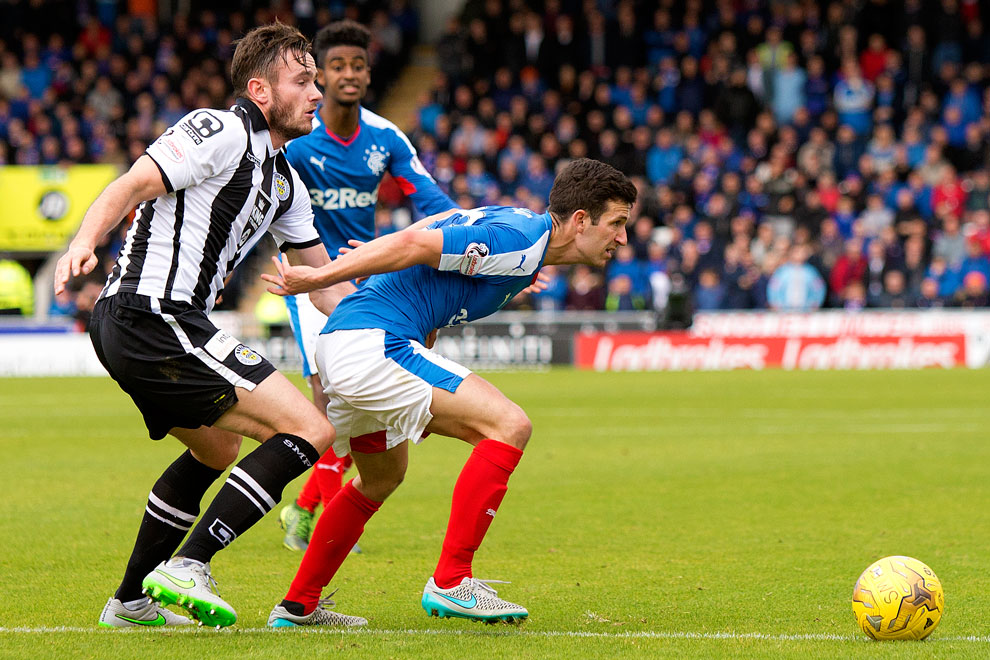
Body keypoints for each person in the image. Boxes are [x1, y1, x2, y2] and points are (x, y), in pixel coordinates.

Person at [53, 23, 354, 629]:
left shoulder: (286, 183)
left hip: (156, 324)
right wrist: (85, 239)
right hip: (149, 313)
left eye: (316, 81)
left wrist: (401, 318)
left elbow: (326, 285)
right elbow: (133, 183)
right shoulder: (219, 130)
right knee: (308, 430)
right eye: (303, 81)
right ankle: (188, 565)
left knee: (217, 449)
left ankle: (131, 601)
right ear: (260, 91)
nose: (317, 94)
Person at [256, 157, 637, 627]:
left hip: (352, 344)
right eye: (617, 224)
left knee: (380, 477)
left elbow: (436, 225)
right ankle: (453, 581)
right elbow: (417, 241)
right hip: (371, 344)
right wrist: (320, 276)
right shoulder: (518, 243)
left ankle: (298, 607)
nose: (622, 238)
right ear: (580, 221)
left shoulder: (518, 229)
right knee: (509, 425)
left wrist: (389, 269)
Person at [277, 19, 457, 553]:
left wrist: (484, 243)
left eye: (357, 65)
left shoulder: (384, 137)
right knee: (330, 403)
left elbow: (430, 201)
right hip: (313, 282)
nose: (349, 74)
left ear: (368, 73)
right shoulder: (297, 142)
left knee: (361, 405)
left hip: (370, 284)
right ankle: (315, 511)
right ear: (320, 76)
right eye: (337, 66)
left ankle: (310, 508)